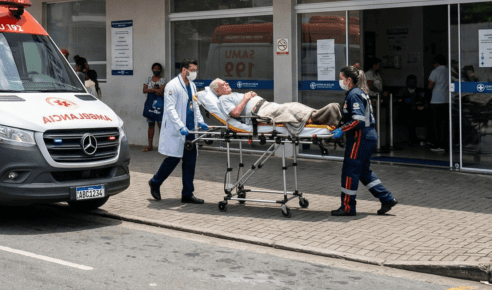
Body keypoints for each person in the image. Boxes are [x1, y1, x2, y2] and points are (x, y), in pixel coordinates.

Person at [331, 65, 397, 216]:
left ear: (348, 80)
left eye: (341, 78)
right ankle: (387, 198)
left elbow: (358, 120)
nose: (339, 81)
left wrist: (342, 130)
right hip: (368, 135)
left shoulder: (353, 94)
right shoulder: (359, 92)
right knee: (363, 171)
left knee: (350, 171)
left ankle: (347, 207)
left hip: (359, 136)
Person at [148, 60, 209, 204]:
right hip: (178, 130)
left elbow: (195, 106)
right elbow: (170, 109)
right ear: (184, 70)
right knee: (173, 160)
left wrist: (200, 121)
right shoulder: (172, 86)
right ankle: (155, 182)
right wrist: (180, 126)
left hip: (190, 130)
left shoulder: (192, 85)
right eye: (192, 70)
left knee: (190, 162)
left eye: (195, 70)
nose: (194, 73)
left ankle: (187, 194)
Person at [209, 79, 342, 133]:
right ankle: (321, 115)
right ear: (217, 91)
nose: (227, 85)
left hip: (265, 106)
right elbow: (235, 113)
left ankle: (320, 115)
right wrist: (245, 98)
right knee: (291, 108)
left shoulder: (231, 94)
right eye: (224, 85)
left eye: (227, 83)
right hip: (260, 113)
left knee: (292, 107)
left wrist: (250, 96)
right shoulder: (223, 99)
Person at [395, 75, 428, 145]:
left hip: (418, 112)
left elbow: (423, 101)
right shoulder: (402, 91)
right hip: (405, 112)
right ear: (406, 82)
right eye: (410, 82)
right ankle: (413, 139)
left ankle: (422, 139)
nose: (412, 83)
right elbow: (399, 101)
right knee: (410, 118)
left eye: (414, 82)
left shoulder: (420, 91)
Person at [142, 62, 167, 152]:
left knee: (160, 125)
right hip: (150, 104)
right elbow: (144, 90)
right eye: (155, 68)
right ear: (152, 69)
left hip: (160, 104)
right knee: (150, 125)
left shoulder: (163, 80)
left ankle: (162, 146)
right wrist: (154, 90)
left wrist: (150, 90)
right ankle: (150, 145)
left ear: (160, 70)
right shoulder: (148, 79)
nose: (156, 70)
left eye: (158, 69)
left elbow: (161, 91)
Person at [427, 54, 450, 153]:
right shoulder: (449, 71)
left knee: (436, 124)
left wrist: (428, 87)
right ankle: (445, 145)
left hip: (436, 100)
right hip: (446, 100)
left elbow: (430, 85)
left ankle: (437, 144)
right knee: (444, 124)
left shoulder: (435, 71)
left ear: (436, 63)